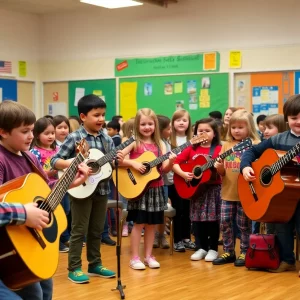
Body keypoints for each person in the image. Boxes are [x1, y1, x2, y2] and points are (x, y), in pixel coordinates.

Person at [0, 100, 89, 299]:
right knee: (35, 295)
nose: (31, 136)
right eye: (24, 131)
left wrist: (70, 182)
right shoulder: (1, 159)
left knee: (45, 291)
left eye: (32, 130)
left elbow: (43, 190)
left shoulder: (28, 157)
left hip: (31, 240)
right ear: (3, 132)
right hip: (11, 245)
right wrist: (24, 213)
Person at [51, 94, 124, 284]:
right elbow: (54, 161)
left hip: (101, 190)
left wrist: (116, 161)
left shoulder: (107, 139)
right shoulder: (75, 137)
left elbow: (107, 166)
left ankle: (95, 264)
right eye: (96, 115)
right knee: (79, 230)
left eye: (103, 115)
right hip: (80, 189)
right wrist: (75, 164)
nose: (101, 119)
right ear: (83, 117)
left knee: (97, 229)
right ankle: (74, 268)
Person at [241, 95, 300, 274]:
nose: (298, 121)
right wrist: (245, 167)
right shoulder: (278, 139)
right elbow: (251, 151)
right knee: (283, 228)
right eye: (294, 118)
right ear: (287, 119)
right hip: (281, 195)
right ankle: (287, 260)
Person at [119, 108, 176, 270]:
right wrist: (134, 163)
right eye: (143, 124)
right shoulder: (133, 142)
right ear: (137, 125)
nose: (147, 127)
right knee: (139, 223)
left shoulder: (160, 145)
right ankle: (134, 257)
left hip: (156, 188)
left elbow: (164, 169)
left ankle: (149, 256)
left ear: (155, 125)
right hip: (138, 190)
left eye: (150, 124)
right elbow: (118, 160)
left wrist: (171, 162)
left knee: (151, 224)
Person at [213, 110, 260, 267]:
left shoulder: (255, 145)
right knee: (225, 222)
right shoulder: (226, 145)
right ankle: (228, 251)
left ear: (250, 128)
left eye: (241, 127)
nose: (236, 130)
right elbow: (222, 172)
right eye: (233, 127)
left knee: (244, 225)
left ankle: (245, 251)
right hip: (227, 192)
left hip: (245, 194)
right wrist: (218, 166)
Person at [173, 118, 222, 262]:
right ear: (195, 133)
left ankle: (213, 248)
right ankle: (201, 247)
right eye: (200, 130)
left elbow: (223, 170)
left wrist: (219, 166)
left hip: (213, 189)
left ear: (214, 134)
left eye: (207, 131)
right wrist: (183, 174)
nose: (203, 133)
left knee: (213, 220)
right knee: (197, 219)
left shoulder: (219, 149)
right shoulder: (191, 148)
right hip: (195, 190)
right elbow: (176, 163)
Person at [168, 109, 195, 252]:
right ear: (172, 123)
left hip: (189, 181)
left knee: (188, 210)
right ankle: (177, 240)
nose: (181, 123)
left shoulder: (193, 141)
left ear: (189, 123)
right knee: (178, 210)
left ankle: (187, 238)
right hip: (173, 181)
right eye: (178, 120)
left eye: (184, 120)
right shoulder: (168, 141)